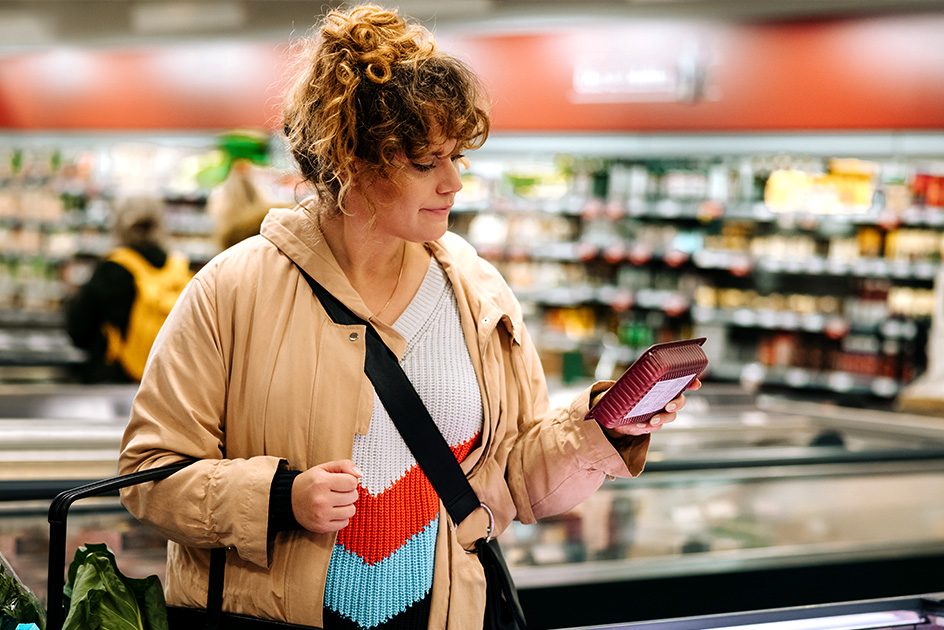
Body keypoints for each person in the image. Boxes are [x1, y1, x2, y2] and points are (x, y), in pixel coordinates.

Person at [118, 5, 700, 629]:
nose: (453, 182)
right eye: (426, 162)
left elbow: (513, 477)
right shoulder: (232, 291)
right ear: (350, 162)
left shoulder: (478, 294)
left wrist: (603, 427)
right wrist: (279, 498)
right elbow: (149, 475)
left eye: (457, 157)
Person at [66, 195, 192, 383]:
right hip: (165, 381)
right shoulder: (178, 267)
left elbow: (78, 330)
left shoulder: (113, 269)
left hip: (117, 379)